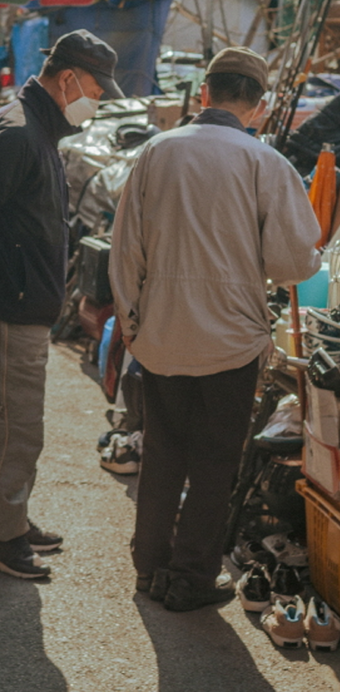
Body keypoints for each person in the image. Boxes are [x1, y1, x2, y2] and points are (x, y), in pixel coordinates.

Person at [108, 47, 321, 612]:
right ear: (258, 104)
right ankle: (192, 577)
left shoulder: (156, 151)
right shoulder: (264, 162)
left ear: (204, 93)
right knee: (212, 462)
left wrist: (132, 324)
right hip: (230, 341)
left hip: (159, 334)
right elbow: (296, 264)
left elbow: (123, 248)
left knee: (163, 452)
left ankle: (149, 565)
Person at [0, 30, 124, 580]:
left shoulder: (35, 127)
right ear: (67, 80)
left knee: (19, 423)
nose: (97, 102)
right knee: (9, 424)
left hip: (17, 300)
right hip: (5, 303)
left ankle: (9, 516)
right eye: (96, 92)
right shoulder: (19, 131)